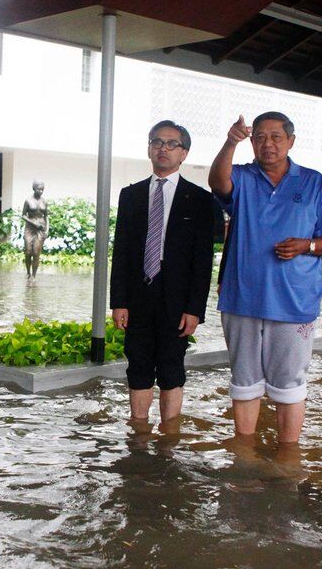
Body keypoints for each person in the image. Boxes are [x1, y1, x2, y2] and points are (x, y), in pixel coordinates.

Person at [208, 112, 322, 444]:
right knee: (244, 383)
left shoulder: (314, 183)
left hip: (294, 301)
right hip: (242, 298)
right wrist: (230, 142)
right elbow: (217, 183)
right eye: (259, 137)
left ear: (291, 141)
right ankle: (244, 453)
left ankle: (288, 456)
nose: (267, 144)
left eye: (276, 137)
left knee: (289, 386)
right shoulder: (242, 176)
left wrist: (307, 245)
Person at [110, 120, 214, 427]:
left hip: (177, 299)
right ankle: (139, 431)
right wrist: (119, 302)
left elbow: (203, 260)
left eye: (171, 144)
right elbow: (121, 251)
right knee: (138, 364)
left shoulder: (200, 199)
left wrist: (195, 309)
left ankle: (170, 436)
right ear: (149, 149)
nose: (163, 149)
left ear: (184, 153)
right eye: (157, 142)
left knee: (171, 367)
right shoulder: (130, 195)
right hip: (138, 294)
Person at [21, 180, 48, 280]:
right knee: (28, 252)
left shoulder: (44, 201)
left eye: (42, 189)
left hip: (40, 229)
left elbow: (46, 216)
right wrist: (34, 223)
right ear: (34, 188)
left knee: (36, 253)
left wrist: (47, 230)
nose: (41, 191)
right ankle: (28, 272)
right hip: (30, 229)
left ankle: (33, 275)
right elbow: (23, 215)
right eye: (39, 189)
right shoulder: (28, 201)